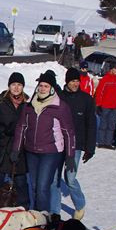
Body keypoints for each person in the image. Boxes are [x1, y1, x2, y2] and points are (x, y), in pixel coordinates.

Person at [11, 70, 75, 214]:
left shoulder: (60, 106)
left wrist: (70, 156)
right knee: (33, 186)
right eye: (40, 86)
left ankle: (43, 218)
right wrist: (16, 149)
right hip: (31, 151)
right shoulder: (29, 105)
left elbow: (69, 132)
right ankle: (36, 215)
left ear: (52, 88)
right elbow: (22, 127)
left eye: (46, 86)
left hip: (51, 152)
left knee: (42, 187)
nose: (42, 88)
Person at [51, 68, 96, 219]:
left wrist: (90, 148)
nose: (75, 84)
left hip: (76, 145)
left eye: (77, 81)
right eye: (72, 81)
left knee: (70, 178)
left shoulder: (86, 99)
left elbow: (91, 124)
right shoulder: (59, 97)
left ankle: (80, 204)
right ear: (67, 82)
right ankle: (55, 211)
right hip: (58, 143)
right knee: (55, 177)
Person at [0, 72, 29, 208]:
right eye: (13, 84)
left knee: (21, 186)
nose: (16, 88)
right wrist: (3, 130)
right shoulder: (0, 101)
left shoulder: (27, 104)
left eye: (19, 85)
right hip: (0, 148)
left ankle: (23, 215)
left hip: (19, 150)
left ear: (23, 87)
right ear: (9, 86)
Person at [93, 59, 116, 148]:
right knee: (103, 124)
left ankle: (108, 142)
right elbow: (100, 92)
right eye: (115, 68)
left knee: (111, 125)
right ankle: (101, 142)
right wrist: (98, 104)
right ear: (111, 69)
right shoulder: (105, 79)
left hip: (114, 106)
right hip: (105, 106)